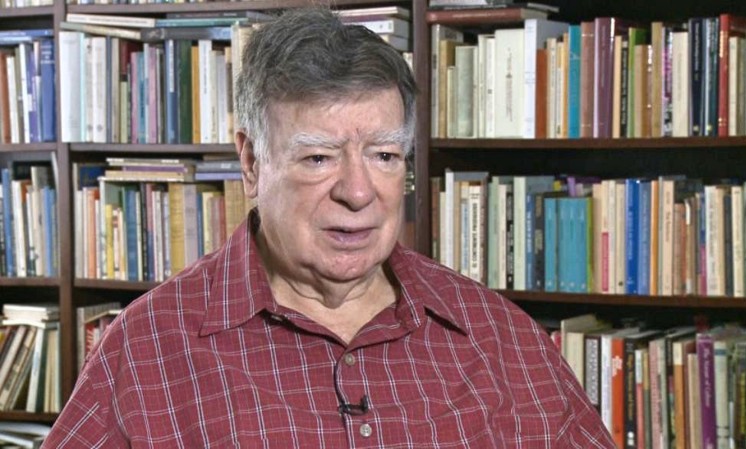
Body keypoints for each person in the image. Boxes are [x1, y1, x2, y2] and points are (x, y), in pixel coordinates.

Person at [43, 7, 614, 448]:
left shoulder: (499, 335)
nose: (358, 192)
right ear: (251, 162)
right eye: (319, 158)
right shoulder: (146, 349)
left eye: (384, 155)